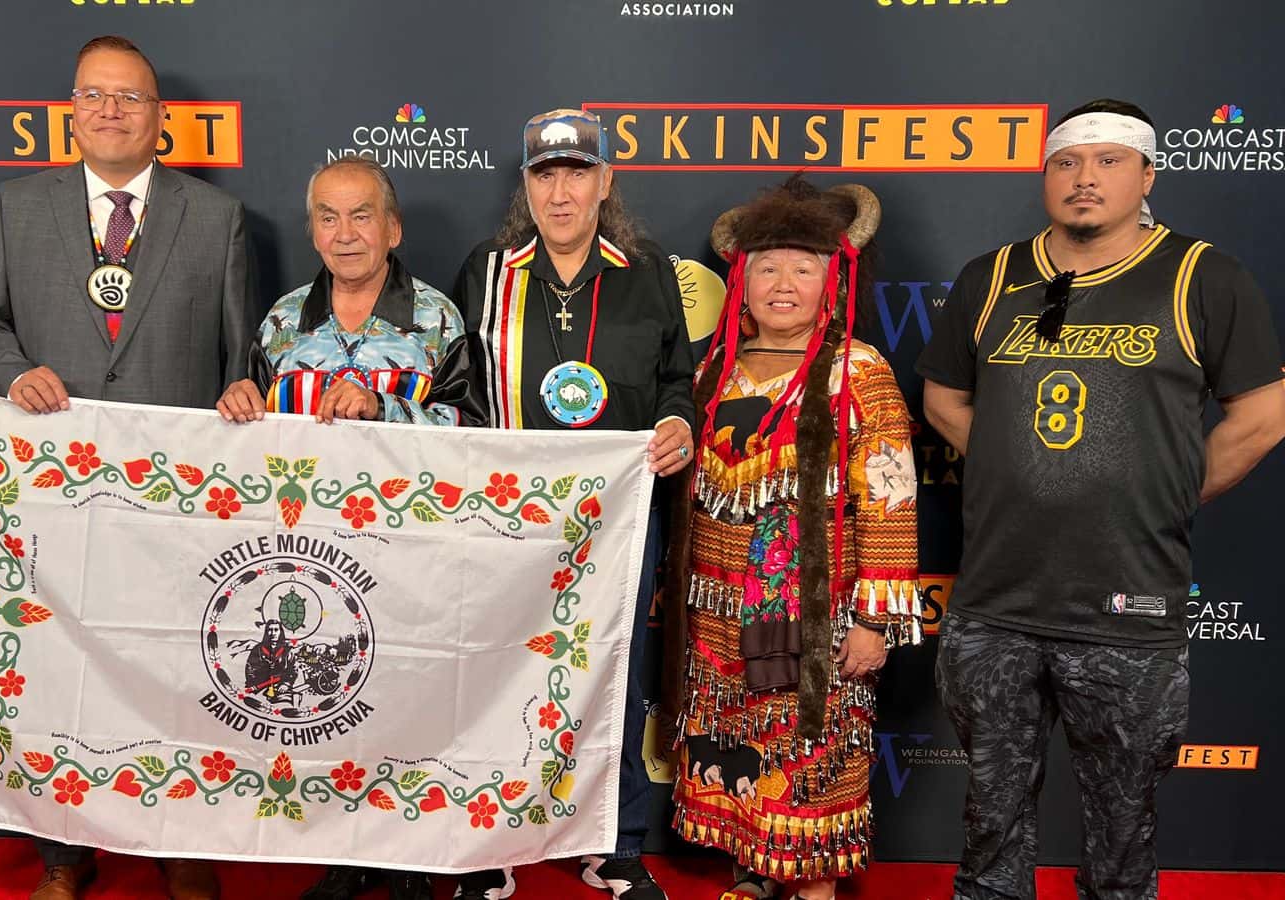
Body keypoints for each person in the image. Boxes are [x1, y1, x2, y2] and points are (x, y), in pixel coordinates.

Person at [917, 98, 1285, 900]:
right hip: (993, 603)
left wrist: (1163, 490)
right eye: (1067, 163)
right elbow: (944, 398)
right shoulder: (991, 276)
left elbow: (1262, 417)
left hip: (1127, 605)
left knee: (1124, 829)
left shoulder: (1202, 274)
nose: (1085, 179)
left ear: (1147, 174)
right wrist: (1012, 462)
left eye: (1110, 160)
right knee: (991, 822)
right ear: (1046, 175)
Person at [0, 34, 253, 900]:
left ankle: (181, 841)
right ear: (72, 112)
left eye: (130, 98)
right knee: (60, 677)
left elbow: (241, 361)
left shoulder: (218, 217)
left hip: (175, 505)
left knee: (179, 675)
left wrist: (241, 392)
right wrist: (15, 374)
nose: (112, 110)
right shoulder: (17, 205)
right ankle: (65, 851)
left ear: (161, 120)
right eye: (95, 95)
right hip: (56, 499)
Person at [217, 155, 484, 900]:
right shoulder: (280, 321)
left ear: (392, 227)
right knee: (330, 695)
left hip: (409, 550)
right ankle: (343, 850)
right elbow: (249, 438)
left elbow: (474, 426)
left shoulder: (437, 317)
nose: (346, 233)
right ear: (311, 231)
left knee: (406, 697)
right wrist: (239, 401)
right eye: (328, 217)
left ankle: (405, 858)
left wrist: (386, 408)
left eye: (362, 215)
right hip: (311, 552)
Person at [450, 108, 693, 900]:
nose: (562, 192)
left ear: (606, 182)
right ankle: (492, 842)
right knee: (496, 672)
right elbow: (455, 390)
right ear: (525, 185)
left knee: (612, 678)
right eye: (545, 174)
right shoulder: (487, 268)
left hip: (616, 516)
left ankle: (614, 842)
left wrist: (676, 425)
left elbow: (676, 383)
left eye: (578, 173)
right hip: (505, 518)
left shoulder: (647, 270)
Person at [661, 176, 921, 900]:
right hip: (714, 613)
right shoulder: (712, 369)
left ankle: (811, 888)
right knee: (733, 748)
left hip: (816, 617)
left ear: (831, 281)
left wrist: (874, 620)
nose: (783, 284)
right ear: (740, 281)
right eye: (768, 266)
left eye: (804, 267)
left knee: (809, 750)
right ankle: (752, 869)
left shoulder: (860, 373)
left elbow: (892, 502)